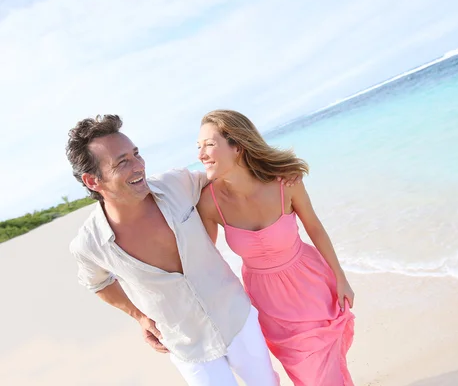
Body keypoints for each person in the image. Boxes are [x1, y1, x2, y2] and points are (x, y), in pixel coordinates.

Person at [66, 115, 298, 386]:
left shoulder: (178, 183)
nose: (139, 166)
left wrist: (277, 175)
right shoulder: (89, 245)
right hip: (186, 345)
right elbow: (97, 283)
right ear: (93, 181)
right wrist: (139, 316)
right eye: (122, 162)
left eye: (136, 154)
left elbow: (228, 177)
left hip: (236, 317)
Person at [197, 110, 355, 386]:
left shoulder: (285, 182)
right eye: (198, 147)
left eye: (209, 144)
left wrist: (340, 277)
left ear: (237, 146)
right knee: (305, 371)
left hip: (310, 284)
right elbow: (207, 259)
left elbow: (314, 228)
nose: (201, 154)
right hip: (265, 298)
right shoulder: (209, 203)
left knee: (320, 367)